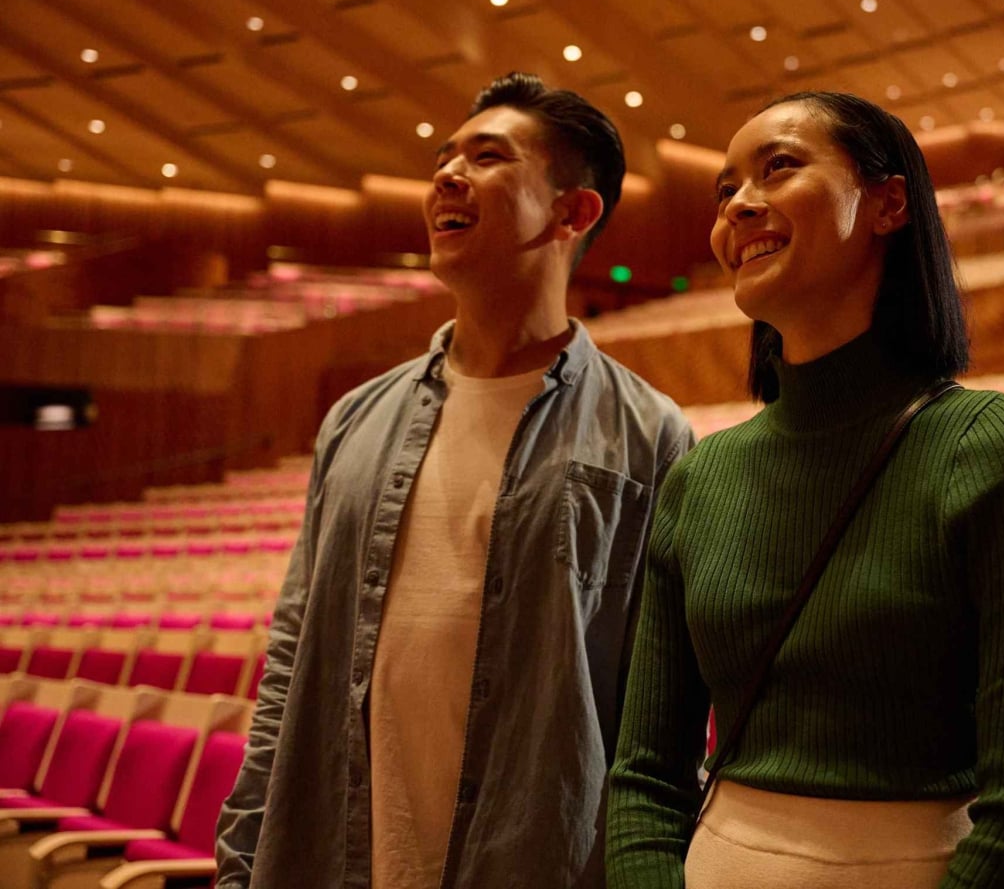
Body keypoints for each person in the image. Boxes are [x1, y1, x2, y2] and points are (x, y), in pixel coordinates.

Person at [216, 72, 694, 889]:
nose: (446, 175)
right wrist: (241, 855)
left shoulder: (650, 436)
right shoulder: (353, 421)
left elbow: (659, 718)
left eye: (487, 156)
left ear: (573, 213)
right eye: (443, 157)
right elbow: (292, 664)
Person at [605, 91, 1004, 888]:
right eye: (726, 192)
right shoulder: (699, 478)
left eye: (779, 167)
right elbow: (646, 777)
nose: (739, 208)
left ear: (888, 201)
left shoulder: (997, 451)